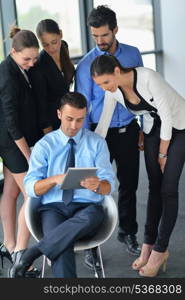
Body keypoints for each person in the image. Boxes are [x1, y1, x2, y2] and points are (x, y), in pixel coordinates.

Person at [90, 54, 185, 277]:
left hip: (179, 127)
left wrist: (163, 153)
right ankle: (148, 246)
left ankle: (161, 250)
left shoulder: (148, 77)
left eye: (105, 82)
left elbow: (167, 116)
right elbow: (104, 123)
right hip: (154, 128)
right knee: (154, 187)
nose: (105, 88)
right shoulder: (113, 91)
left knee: (168, 189)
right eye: (100, 85)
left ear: (116, 71)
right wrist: (90, 150)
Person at [8, 92, 115, 278]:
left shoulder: (97, 143)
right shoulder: (45, 145)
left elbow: (109, 186)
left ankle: (33, 253)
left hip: (87, 208)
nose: (74, 126)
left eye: (80, 120)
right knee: (62, 246)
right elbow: (31, 187)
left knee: (92, 215)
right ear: (59, 114)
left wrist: (98, 185)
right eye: (69, 119)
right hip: (53, 209)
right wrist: (54, 179)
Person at [75, 5, 143, 268]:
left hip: (128, 129)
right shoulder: (84, 66)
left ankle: (128, 233)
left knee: (129, 185)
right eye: (95, 37)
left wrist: (143, 127)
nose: (100, 41)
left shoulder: (134, 55)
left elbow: (141, 94)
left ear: (115, 30)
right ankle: (92, 243)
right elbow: (82, 106)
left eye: (104, 35)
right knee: (94, 189)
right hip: (97, 134)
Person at [0, 26, 51, 276]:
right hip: (10, 141)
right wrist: (29, 156)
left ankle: (9, 246)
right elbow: (11, 123)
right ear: (13, 52)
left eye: (35, 58)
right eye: (26, 59)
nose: (32, 63)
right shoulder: (7, 75)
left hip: (15, 139)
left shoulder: (20, 68)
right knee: (33, 195)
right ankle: (22, 258)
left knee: (10, 192)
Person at [36, 19, 75, 130]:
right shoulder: (39, 65)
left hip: (68, 115)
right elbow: (41, 105)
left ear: (61, 34)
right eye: (45, 45)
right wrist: (49, 134)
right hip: (52, 121)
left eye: (54, 42)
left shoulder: (64, 47)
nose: (51, 48)